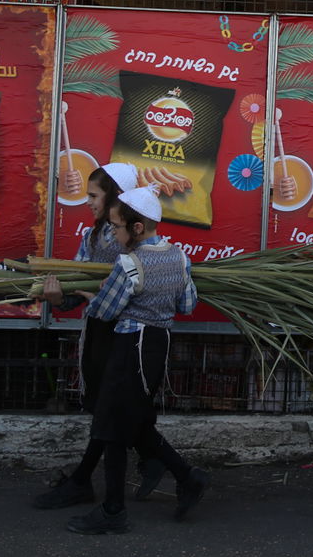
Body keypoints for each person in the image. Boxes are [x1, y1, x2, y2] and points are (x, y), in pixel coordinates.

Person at [64, 184, 210, 534]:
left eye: (117, 227)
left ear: (138, 227)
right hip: (158, 346)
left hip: (131, 347)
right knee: (135, 422)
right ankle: (188, 477)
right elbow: (187, 304)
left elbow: (104, 311)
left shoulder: (129, 264)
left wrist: (88, 294)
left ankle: (113, 510)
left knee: (113, 428)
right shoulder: (180, 257)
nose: (114, 234)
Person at [33, 162, 167, 510]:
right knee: (109, 408)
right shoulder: (92, 236)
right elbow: (76, 291)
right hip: (99, 331)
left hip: (123, 334)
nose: (88, 201)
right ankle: (161, 464)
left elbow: (138, 289)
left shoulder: (131, 237)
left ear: (116, 196)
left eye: (94, 195)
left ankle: (87, 483)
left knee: (110, 410)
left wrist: (99, 295)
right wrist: (58, 298)